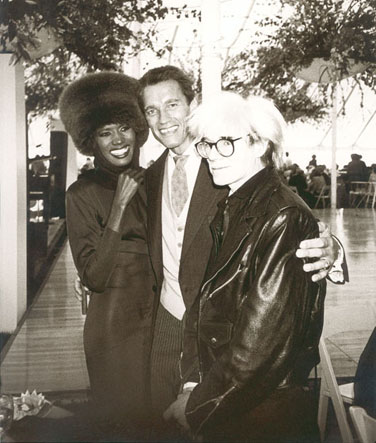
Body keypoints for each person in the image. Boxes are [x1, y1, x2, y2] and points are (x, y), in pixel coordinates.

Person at [138, 65, 346, 436]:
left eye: (172, 105)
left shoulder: (239, 182)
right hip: (182, 334)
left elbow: (261, 337)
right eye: (151, 110)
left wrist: (333, 250)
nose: (213, 153)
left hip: (243, 380)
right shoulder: (153, 179)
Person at [59, 72, 154, 439]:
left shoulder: (157, 180)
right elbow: (95, 278)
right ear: (91, 141)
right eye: (105, 133)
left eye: (124, 127)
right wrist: (118, 208)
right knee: (121, 428)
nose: (118, 140)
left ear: (137, 129)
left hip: (161, 322)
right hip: (115, 331)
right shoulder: (80, 193)